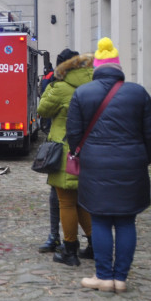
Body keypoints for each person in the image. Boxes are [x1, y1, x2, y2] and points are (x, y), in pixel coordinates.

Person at [67, 37, 151, 292]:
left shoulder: (82, 93)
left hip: (95, 163)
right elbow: (150, 133)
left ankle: (104, 276)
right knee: (127, 222)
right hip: (132, 163)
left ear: (97, 69)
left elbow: (74, 134)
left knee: (101, 221)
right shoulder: (138, 92)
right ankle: (121, 278)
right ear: (119, 70)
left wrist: (79, 154)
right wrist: (145, 159)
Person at [36, 49, 94, 266]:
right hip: (88, 149)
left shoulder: (61, 87)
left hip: (66, 151)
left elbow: (42, 109)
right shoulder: (93, 85)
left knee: (66, 202)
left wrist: (52, 84)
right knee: (82, 203)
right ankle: (94, 244)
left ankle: (69, 250)